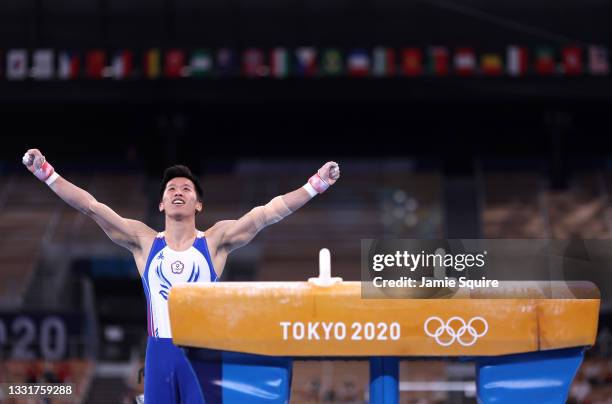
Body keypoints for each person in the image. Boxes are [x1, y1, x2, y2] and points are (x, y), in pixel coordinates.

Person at [22, 148, 340, 404]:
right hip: (160, 353)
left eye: (186, 189)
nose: (178, 191)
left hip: (202, 352)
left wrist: (316, 184)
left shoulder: (215, 242)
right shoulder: (143, 242)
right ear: (160, 203)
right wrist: (47, 173)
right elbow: (91, 207)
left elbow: (266, 214)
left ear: (197, 204)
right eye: (171, 188)